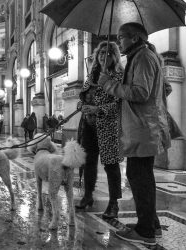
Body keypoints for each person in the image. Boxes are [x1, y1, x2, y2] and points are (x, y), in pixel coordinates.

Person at [100, 22, 171, 245]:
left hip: (143, 129)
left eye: (121, 37)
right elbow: (163, 88)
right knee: (142, 179)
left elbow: (141, 92)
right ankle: (152, 225)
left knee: (140, 179)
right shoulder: (142, 57)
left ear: (134, 38)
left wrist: (109, 85)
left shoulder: (143, 57)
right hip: (142, 128)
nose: (118, 42)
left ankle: (146, 232)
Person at [76, 41, 124, 222]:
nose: (104, 56)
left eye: (109, 53)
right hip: (88, 125)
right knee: (88, 162)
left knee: (111, 165)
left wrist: (98, 110)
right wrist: (82, 105)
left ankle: (113, 203)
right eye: (101, 52)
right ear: (97, 55)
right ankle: (87, 195)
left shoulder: (118, 75)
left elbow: (120, 103)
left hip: (108, 126)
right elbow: (83, 96)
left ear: (115, 56)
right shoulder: (92, 74)